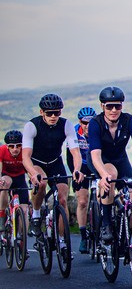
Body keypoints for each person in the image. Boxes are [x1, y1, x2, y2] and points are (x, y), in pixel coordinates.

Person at [87, 87, 132, 244]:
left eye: (117, 106)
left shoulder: (129, 121)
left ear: (122, 106)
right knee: (110, 175)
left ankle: (126, 242)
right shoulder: (95, 124)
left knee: (130, 198)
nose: (113, 110)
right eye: (109, 106)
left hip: (120, 158)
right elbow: (95, 155)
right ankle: (105, 223)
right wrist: (103, 174)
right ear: (102, 106)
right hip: (100, 159)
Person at [21, 94, 83, 251]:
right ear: (42, 112)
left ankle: (61, 240)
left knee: (62, 200)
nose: (54, 116)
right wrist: (32, 173)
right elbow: (25, 156)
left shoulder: (66, 125)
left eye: (57, 112)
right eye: (49, 113)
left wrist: (76, 170)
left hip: (56, 163)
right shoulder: (32, 126)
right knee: (40, 183)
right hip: (37, 163)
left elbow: (76, 153)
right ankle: (35, 215)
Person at [66, 107, 97, 253]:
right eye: (84, 123)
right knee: (83, 201)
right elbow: (69, 157)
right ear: (80, 122)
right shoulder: (74, 132)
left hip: (96, 165)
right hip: (81, 167)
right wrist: (75, 172)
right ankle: (84, 237)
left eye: (90, 122)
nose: (87, 126)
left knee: (104, 195)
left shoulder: (98, 130)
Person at [0, 130, 30, 233]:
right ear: (7, 146)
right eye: (12, 146)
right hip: (6, 176)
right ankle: (2, 214)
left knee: (25, 210)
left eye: (18, 146)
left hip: (20, 178)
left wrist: (33, 179)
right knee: (5, 182)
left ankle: (23, 241)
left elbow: (29, 168)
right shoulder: (2, 150)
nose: (15, 149)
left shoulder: (25, 152)